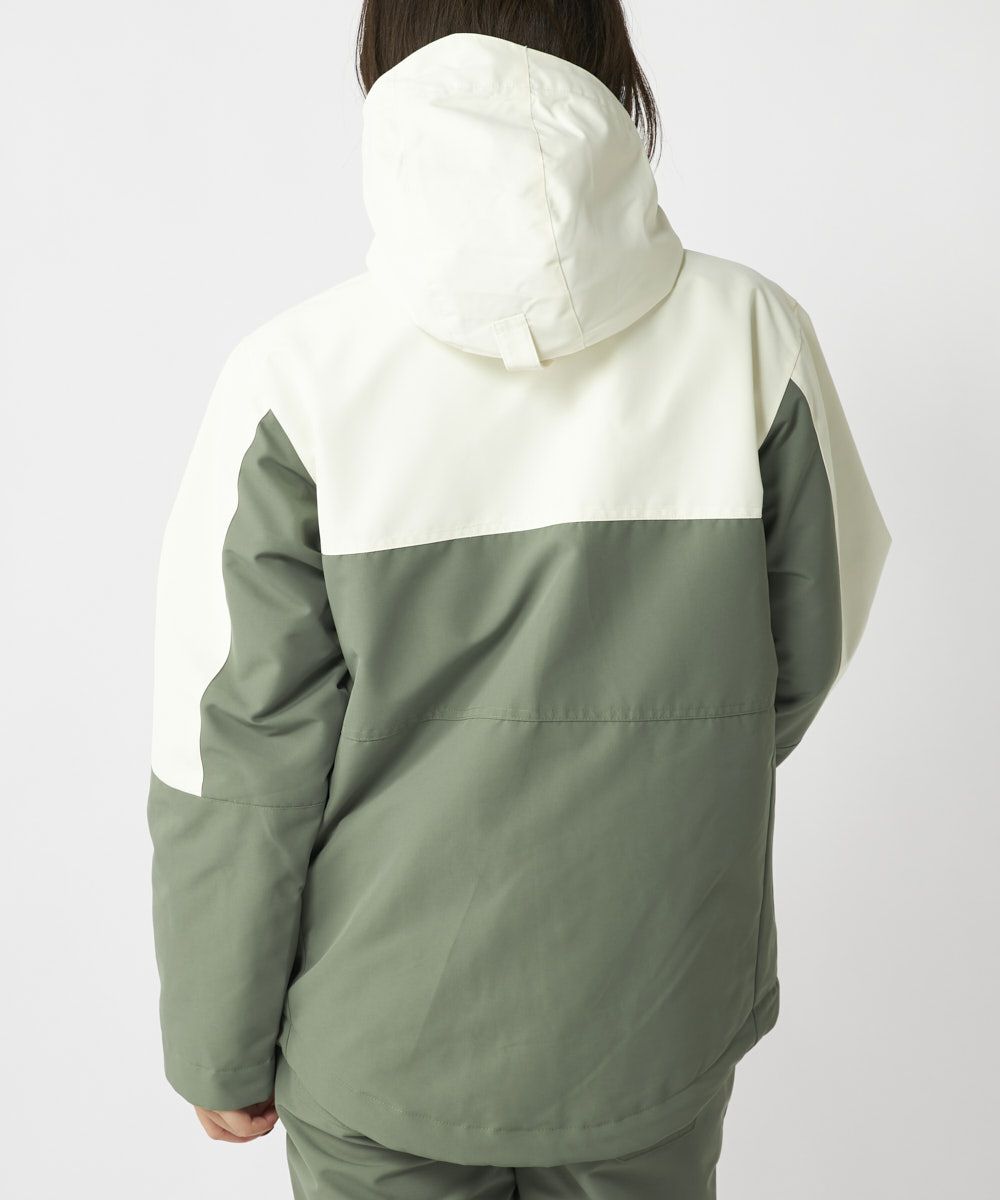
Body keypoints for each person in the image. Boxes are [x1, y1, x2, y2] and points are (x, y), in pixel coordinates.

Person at [145, 2, 892, 1196]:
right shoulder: (751, 334)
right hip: (651, 1009)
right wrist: (655, 764)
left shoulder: (296, 378)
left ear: (383, 61)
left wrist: (216, 1036)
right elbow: (804, 640)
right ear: (606, 57)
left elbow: (237, 749)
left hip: (379, 1032)